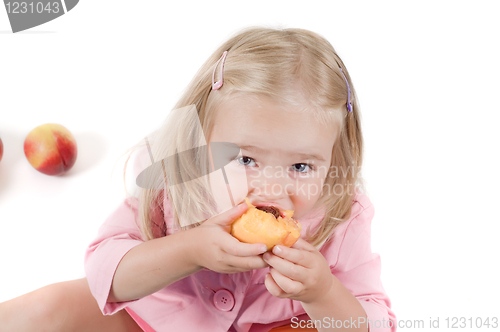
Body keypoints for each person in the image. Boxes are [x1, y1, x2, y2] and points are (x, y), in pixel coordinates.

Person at [0, 26, 396, 332]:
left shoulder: (344, 213)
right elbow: (107, 271)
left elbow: (374, 321)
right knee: (47, 308)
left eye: (301, 167)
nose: (273, 188)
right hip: (158, 316)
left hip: (273, 325)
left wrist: (322, 293)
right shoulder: (176, 176)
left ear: (336, 157)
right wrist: (188, 250)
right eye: (245, 159)